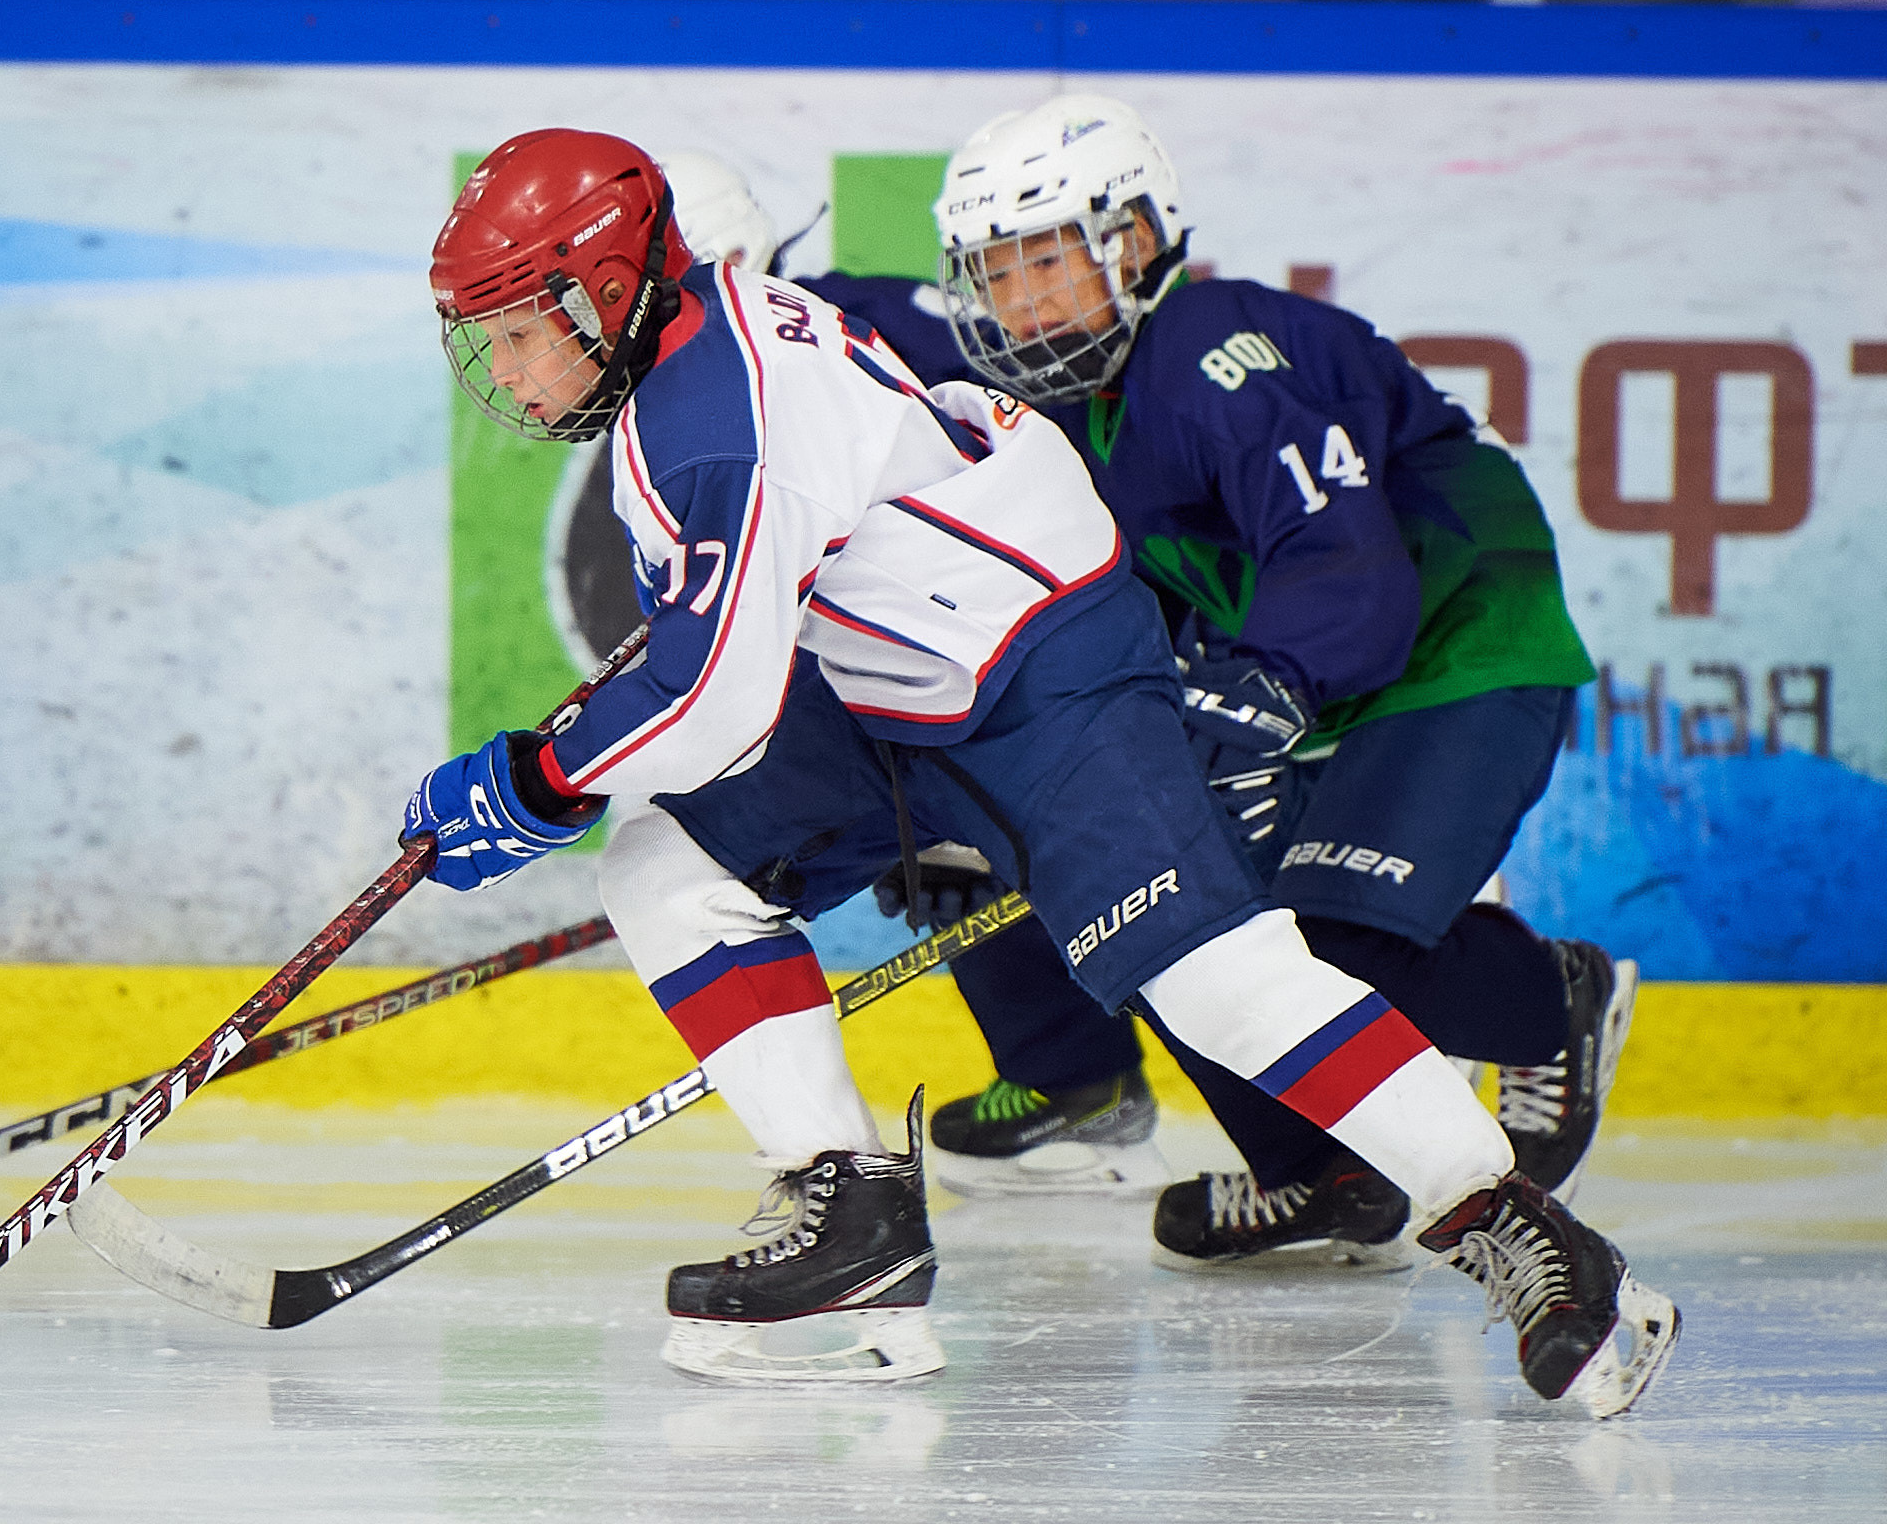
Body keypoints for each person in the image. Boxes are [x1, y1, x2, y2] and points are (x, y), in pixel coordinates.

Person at [401, 127, 1678, 1415]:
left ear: (608, 291)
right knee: (671, 862)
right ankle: (851, 1215)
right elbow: (732, 643)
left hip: (1044, 677)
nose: (505, 367)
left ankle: (1512, 1220)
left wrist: (530, 784)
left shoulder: (714, 416)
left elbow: (715, 690)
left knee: (1215, 980)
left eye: (519, 329)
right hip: (894, 691)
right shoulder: (696, 357)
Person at [921, 95, 1640, 1274]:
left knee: (1349, 944)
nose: (1020, 299)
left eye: (1045, 259)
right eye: (996, 272)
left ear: (1135, 243)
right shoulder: (1080, 413)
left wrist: (1259, 687)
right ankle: (1322, 1167)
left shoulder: (1210, 347)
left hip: (1455, 643)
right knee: (1168, 909)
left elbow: (1347, 561)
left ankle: (1550, 995)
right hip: (1323, 661)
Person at [659, 148, 1168, 1194]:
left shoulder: (803, 340)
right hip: (1007, 623)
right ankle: (1076, 1079)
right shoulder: (798, 339)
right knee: (945, 846)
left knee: (1025, 844)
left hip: (1035, 624)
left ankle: (1090, 1082)